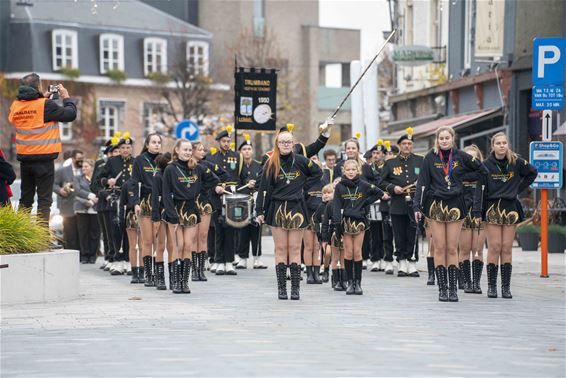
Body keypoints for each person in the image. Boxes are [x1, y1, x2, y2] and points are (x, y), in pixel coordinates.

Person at [414, 127, 483, 302]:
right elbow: (422, 182)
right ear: (437, 140)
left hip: (456, 204)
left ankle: (453, 289)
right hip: (435, 205)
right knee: (440, 247)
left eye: (447, 138)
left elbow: (482, 170)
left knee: (452, 247)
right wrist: (417, 206)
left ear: (453, 139)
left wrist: (462, 176)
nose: (444, 141)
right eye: (441, 138)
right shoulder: (430, 157)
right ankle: (442, 289)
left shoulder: (461, 155)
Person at [256, 126, 323, 300]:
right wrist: (259, 210)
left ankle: (295, 289)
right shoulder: (271, 163)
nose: (285, 144)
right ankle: (281, 288)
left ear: (293, 143)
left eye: (288, 141)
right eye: (282, 142)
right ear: (277, 144)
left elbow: (318, 172)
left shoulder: (301, 160)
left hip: (297, 208)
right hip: (277, 208)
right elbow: (263, 188)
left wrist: (303, 185)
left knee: (294, 249)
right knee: (280, 249)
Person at [8, 73, 77, 223]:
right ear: (38, 86)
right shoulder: (46, 105)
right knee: (44, 200)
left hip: (25, 159)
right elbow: (70, 114)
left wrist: (41, 98)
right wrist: (66, 97)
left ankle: (22, 235)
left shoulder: (16, 106)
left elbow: (31, 115)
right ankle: (42, 238)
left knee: (25, 199)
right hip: (44, 160)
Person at [476, 132, 537, 299]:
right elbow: (479, 189)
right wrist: (477, 211)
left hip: (510, 207)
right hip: (492, 208)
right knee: (494, 246)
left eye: (504, 143)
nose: (502, 145)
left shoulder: (516, 161)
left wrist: (517, 188)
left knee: (507, 247)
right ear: (493, 146)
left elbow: (532, 172)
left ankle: (506, 287)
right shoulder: (485, 164)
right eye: (498, 143)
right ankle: (491, 286)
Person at [163, 139, 220, 294]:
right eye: (185, 150)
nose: (187, 152)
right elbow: (166, 194)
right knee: (179, 245)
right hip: (175, 209)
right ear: (177, 150)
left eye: (189, 150)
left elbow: (215, 180)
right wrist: (171, 216)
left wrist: (197, 190)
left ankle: (184, 282)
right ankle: (175, 279)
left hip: (191, 208)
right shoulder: (170, 169)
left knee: (188, 245)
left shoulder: (197, 168)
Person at [333, 160, 387, 295]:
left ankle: (358, 283)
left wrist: (365, 203)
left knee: (357, 252)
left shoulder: (363, 184)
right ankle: (349, 282)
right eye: (348, 170)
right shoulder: (339, 186)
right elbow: (336, 206)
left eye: (353, 169)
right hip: (346, 222)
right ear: (344, 171)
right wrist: (337, 224)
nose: (351, 172)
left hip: (360, 221)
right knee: (348, 252)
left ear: (358, 171)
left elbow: (379, 192)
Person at [380, 128, 424, 277]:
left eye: (409, 143)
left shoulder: (420, 160)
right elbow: (381, 181)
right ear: (399, 145)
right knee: (399, 234)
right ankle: (401, 261)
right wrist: (392, 188)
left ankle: (412, 262)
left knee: (413, 232)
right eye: (404, 143)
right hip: (397, 203)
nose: (407, 146)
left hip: (414, 203)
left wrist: (421, 184)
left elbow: (426, 178)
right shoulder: (391, 162)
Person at [205, 126, 240, 276]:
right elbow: (208, 179)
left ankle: (229, 261)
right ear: (219, 142)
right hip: (217, 196)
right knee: (218, 229)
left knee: (231, 229)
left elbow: (241, 175)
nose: (226, 143)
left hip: (232, 196)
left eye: (228, 141)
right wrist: (215, 188)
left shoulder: (238, 156)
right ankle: (218, 260)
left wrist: (250, 183)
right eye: (224, 141)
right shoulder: (212, 158)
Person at [192, 141, 229, 280]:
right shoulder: (186, 166)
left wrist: (213, 187)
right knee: (193, 237)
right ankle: (193, 268)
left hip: (204, 202)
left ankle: (200, 268)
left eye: (203, 150)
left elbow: (222, 175)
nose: (203, 152)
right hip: (190, 204)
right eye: (199, 150)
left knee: (202, 236)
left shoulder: (206, 165)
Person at [99, 133, 135, 275]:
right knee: (115, 230)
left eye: (128, 147)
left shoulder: (135, 162)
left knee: (129, 230)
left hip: (130, 199)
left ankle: (127, 260)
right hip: (116, 198)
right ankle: (117, 260)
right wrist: (107, 181)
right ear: (119, 149)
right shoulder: (112, 162)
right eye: (123, 147)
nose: (126, 150)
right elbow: (99, 179)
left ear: (131, 149)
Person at [131, 133, 162, 286]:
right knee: (147, 240)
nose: (157, 145)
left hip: (160, 202)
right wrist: (135, 202)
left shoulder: (164, 160)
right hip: (145, 201)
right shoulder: (139, 160)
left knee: (159, 240)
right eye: (154, 142)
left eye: (159, 142)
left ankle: (158, 273)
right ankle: (148, 274)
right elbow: (134, 182)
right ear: (147, 144)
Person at [458, 144, 487, 294]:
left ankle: (476, 283)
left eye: (474, 156)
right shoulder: (458, 173)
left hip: (479, 214)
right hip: (463, 213)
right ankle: (466, 281)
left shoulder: (483, 173)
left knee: (478, 249)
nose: (471, 159)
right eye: (468, 156)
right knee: (464, 249)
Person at [235, 134, 265, 269]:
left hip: (255, 201)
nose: (247, 151)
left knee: (256, 229)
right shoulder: (237, 166)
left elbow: (263, 183)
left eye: (249, 149)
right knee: (242, 230)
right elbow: (235, 182)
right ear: (240, 152)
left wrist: (256, 186)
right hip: (242, 201)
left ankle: (257, 258)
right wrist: (246, 183)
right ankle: (242, 258)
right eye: (244, 149)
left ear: (252, 151)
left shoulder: (258, 166)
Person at [91, 137, 119, 270]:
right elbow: (94, 185)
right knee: (108, 232)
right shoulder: (101, 164)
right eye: (113, 150)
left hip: (120, 201)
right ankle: (109, 257)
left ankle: (119, 257)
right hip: (104, 202)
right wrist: (104, 194)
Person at [150, 153, 173, 290]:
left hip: (172, 213)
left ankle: (172, 276)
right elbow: (155, 198)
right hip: (162, 213)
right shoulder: (158, 176)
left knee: (172, 246)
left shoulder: (172, 175)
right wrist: (156, 217)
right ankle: (159, 278)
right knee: (160, 245)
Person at [53, 149, 83, 250]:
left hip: (83, 206)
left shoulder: (85, 169)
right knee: (69, 232)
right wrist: (60, 190)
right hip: (67, 206)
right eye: (78, 159)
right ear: (73, 159)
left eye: (82, 159)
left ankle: (83, 254)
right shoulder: (62, 170)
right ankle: (70, 252)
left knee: (82, 232)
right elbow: (53, 184)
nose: (80, 161)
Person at [73, 159, 100, 264]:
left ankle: (93, 255)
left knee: (95, 233)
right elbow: (77, 191)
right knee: (83, 233)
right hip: (81, 208)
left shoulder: (97, 178)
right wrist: (90, 197)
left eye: (86, 166)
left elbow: (100, 189)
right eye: (83, 167)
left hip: (95, 208)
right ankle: (84, 255)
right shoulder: (77, 178)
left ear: (92, 168)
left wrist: (93, 202)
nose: (83, 168)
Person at [303, 156, 324, 284]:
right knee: (308, 246)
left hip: (320, 217)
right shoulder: (305, 184)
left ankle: (317, 272)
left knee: (317, 246)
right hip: (307, 216)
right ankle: (309, 273)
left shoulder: (324, 183)